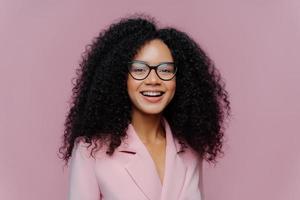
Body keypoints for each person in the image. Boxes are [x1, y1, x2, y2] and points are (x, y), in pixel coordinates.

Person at [59, 13, 231, 200]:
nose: (153, 80)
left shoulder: (190, 149)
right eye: (139, 70)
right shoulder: (90, 151)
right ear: (120, 77)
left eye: (165, 70)